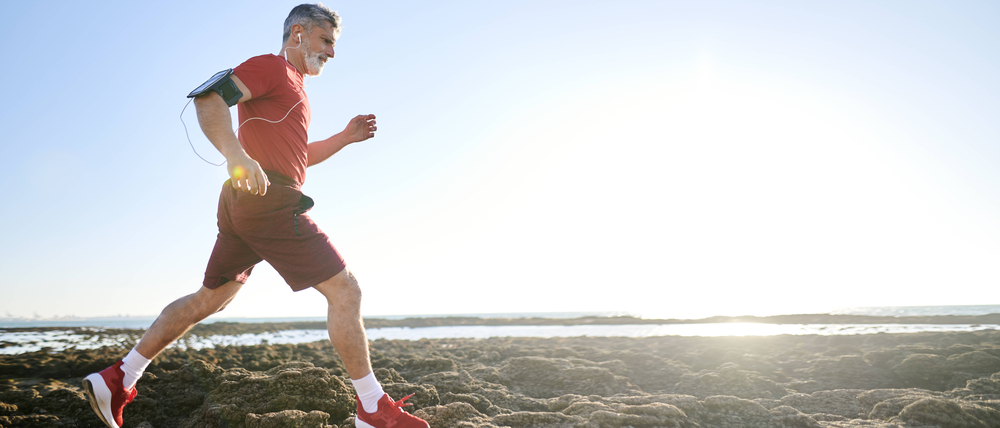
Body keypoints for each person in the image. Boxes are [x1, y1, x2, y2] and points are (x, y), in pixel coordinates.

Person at [82, 4, 428, 428]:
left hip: (248, 201)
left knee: (210, 297)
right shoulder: (271, 68)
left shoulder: (295, 87)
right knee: (346, 290)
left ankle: (119, 376)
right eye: (326, 41)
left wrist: (343, 138)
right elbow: (209, 97)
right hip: (268, 201)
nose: (332, 53)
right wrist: (236, 155)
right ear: (297, 34)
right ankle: (372, 407)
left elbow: (297, 157)